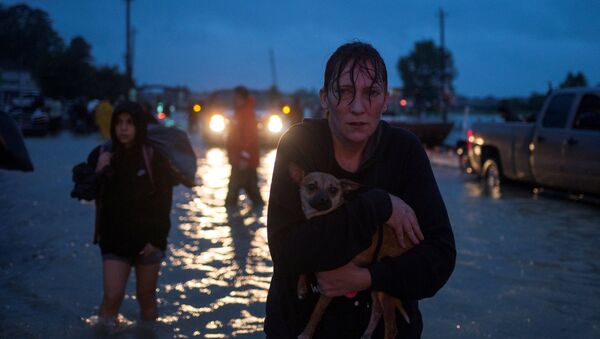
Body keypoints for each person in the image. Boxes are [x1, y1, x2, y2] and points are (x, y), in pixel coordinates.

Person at [265, 42, 456, 338]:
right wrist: (379, 205)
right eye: (343, 92)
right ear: (324, 98)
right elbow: (286, 251)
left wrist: (367, 277)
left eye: (371, 93)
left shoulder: (405, 152)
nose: (358, 106)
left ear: (385, 101)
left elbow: (440, 259)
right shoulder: (299, 145)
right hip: (297, 328)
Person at [80, 101, 176, 325]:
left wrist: (157, 240)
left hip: (149, 242)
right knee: (112, 298)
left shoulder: (154, 157)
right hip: (114, 239)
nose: (123, 128)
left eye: (130, 123)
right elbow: (84, 193)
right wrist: (100, 170)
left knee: (147, 299)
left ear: (139, 126)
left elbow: (164, 202)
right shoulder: (102, 154)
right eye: (119, 123)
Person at [225, 86, 264, 207]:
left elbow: (250, 137)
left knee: (233, 192)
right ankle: (260, 214)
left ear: (242, 98)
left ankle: (233, 218)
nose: (234, 99)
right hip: (240, 160)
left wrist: (245, 157)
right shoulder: (240, 112)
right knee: (251, 190)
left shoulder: (247, 114)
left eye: (236, 97)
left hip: (243, 161)